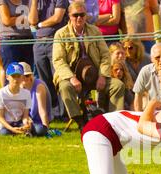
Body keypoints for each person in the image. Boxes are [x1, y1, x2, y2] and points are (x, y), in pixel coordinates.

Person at [53, 1, 125, 131]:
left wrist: (103, 75)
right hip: (72, 76)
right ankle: (81, 120)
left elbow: (105, 55)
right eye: (75, 15)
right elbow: (58, 61)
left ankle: (114, 122)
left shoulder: (95, 31)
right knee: (64, 87)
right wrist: (71, 78)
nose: (79, 18)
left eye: (82, 14)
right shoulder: (60, 34)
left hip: (95, 74)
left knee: (117, 85)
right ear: (69, 16)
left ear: (86, 16)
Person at [29, 0, 69, 122]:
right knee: (44, 79)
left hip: (55, 41)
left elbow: (57, 18)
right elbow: (32, 21)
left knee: (58, 78)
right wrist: (35, 3)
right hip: (39, 42)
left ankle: (63, 113)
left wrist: (40, 25)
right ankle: (51, 112)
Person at [0, 0, 34, 74]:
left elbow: (36, 17)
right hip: (10, 41)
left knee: (27, 74)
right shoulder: (1, 1)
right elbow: (7, 21)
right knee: (12, 75)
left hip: (27, 39)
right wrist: (28, 18)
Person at [0, 62, 33, 136]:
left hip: (19, 122)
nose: (16, 79)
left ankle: (22, 131)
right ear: (7, 77)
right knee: (4, 133)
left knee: (40, 130)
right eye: (13, 76)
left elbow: (25, 116)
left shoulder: (26, 93)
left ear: (22, 77)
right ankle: (17, 132)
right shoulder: (1, 93)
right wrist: (11, 129)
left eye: (18, 76)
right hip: (5, 124)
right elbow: (0, 117)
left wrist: (26, 123)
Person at [19, 62, 52, 137]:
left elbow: (42, 110)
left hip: (38, 121)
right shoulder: (19, 87)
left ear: (31, 75)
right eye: (23, 76)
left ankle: (27, 131)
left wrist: (46, 129)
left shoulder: (39, 86)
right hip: (25, 118)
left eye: (27, 75)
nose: (25, 78)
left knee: (40, 130)